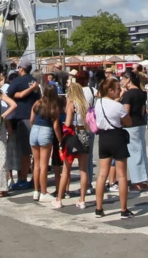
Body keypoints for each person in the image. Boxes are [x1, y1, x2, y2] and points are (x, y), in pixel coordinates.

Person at [92, 77, 134, 218]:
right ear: (110, 91)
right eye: (117, 89)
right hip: (117, 136)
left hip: (103, 137)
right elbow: (128, 121)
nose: (119, 91)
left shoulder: (98, 103)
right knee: (121, 175)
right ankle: (123, 209)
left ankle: (99, 208)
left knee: (102, 174)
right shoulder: (117, 106)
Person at [53, 71, 94, 209]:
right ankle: (82, 200)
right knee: (84, 169)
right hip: (84, 133)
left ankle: (59, 199)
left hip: (73, 135)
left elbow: (68, 122)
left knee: (66, 169)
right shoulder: (85, 104)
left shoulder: (71, 104)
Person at [5, 60, 40, 190]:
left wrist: (18, 94)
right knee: (36, 151)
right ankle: (35, 178)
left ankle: (23, 179)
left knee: (25, 152)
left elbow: (8, 95)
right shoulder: (35, 82)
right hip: (37, 118)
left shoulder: (18, 81)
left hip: (22, 119)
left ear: (21, 69)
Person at [28, 84, 60, 201]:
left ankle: (36, 191)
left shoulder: (37, 103)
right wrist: (60, 140)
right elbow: (56, 126)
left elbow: (31, 119)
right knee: (44, 165)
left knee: (36, 164)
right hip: (46, 131)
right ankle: (44, 192)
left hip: (34, 130)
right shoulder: (53, 106)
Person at [119, 70, 148, 192]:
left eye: (123, 79)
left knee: (133, 153)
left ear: (128, 79)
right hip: (140, 122)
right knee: (141, 151)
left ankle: (137, 181)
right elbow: (142, 110)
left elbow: (125, 112)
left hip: (131, 125)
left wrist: (122, 122)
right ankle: (143, 179)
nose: (121, 81)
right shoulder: (142, 93)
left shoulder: (128, 94)